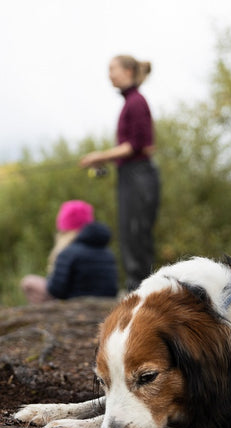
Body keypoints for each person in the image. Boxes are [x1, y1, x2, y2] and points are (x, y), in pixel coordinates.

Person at [80, 54, 160, 291]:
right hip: (132, 175)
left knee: (136, 236)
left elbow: (135, 145)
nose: (109, 74)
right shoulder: (131, 102)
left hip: (139, 177)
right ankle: (138, 290)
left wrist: (99, 156)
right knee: (129, 235)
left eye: (112, 69)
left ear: (127, 72)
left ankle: (139, 291)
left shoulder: (136, 102)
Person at [21, 200, 118, 303]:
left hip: (74, 302)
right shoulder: (107, 252)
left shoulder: (68, 252)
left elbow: (56, 289)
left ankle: (41, 315)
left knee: (28, 282)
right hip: (106, 302)